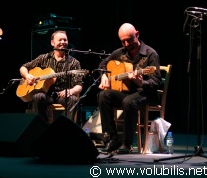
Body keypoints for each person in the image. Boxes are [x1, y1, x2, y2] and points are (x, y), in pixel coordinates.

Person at [97, 23, 162, 154]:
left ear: (137, 35)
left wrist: (141, 82)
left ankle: (127, 144)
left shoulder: (150, 54)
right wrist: (103, 75)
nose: (126, 44)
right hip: (127, 93)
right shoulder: (119, 53)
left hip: (146, 93)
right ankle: (112, 138)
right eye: (123, 41)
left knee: (129, 102)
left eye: (129, 40)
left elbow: (157, 81)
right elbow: (103, 64)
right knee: (103, 95)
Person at [19, 30, 83, 123]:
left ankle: (68, 129)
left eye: (65, 40)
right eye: (60, 40)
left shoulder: (74, 63)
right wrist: (27, 75)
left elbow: (79, 85)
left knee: (73, 99)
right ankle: (42, 128)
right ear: (52, 43)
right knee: (38, 96)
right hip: (46, 95)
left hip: (62, 96)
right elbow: (24, 67)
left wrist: (71, 91)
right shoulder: (44, 58)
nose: (63, 42)